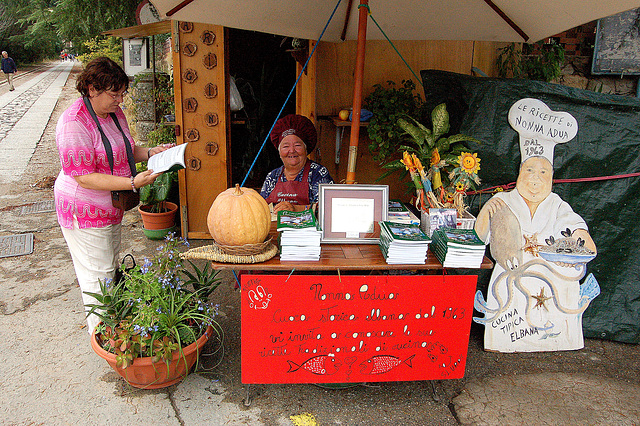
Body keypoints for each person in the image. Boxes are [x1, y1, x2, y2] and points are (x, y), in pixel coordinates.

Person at [54, 57, 172, 334]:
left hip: (110, 208)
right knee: (98, 277)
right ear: (92, 89)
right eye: (114, 94)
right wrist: (131, 182)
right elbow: (83, 175)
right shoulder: (74, 122)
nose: (120, 100)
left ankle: (112, 334)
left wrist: (152, 152)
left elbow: (127, 150)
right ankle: (105, 338)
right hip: (84, 210)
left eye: (122, 94)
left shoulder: (114, 114)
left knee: (107, 269)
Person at [474, 154, 598, 352]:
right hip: (513, 270)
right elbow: (478, 240)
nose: (535, 179)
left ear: (551, 178)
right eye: (530, 171)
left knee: (562, 286)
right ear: (520, 173)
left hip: (550, 269)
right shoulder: (501, 201)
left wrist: (575, 245)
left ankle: (560, 338)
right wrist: (486, 211)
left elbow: (579, 234)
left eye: (543, 173)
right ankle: (505, 340)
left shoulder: (557, 205)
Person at [260, 114, 333, 213]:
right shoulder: (272, 177)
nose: (291, 150)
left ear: (306, 150)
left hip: (308, 227)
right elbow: (260, 208)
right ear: (279, 152)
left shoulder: (318, 173)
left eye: (297, 145)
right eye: (285, 146)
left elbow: (329, 208)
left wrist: (296, 209)